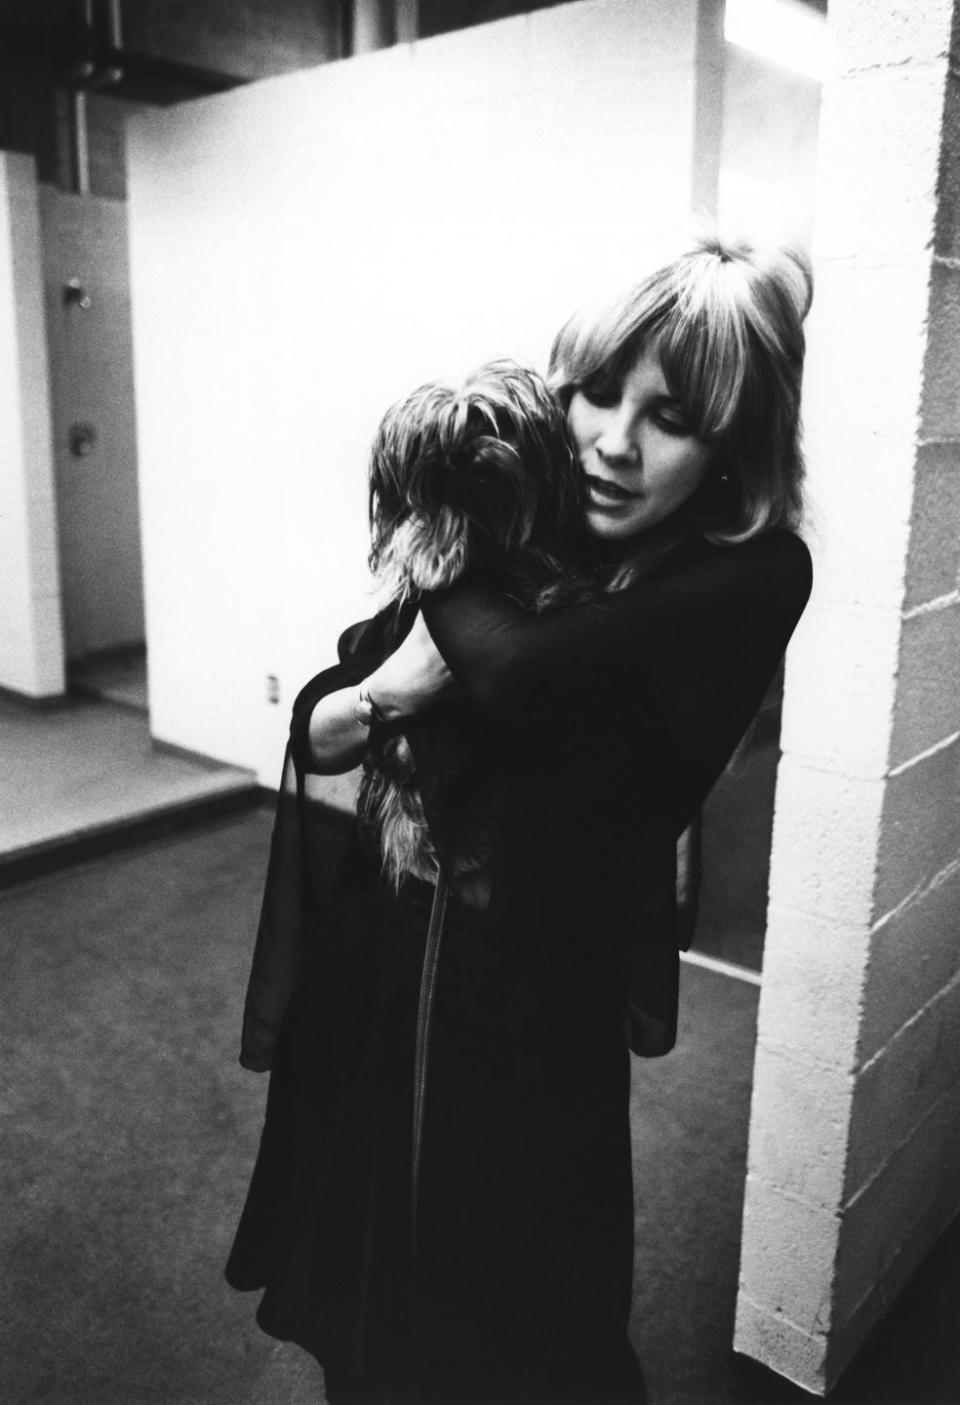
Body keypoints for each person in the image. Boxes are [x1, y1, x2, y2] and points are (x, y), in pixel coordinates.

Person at [225, 234, 814, 1405]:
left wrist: (436, 513)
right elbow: (323, 719)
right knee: (365, 1288)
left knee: (517, 1309)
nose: (612, 439)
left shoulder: (746, 576)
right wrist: (380, 690)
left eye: (673, 418)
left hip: (532, 1004)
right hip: (385, 954)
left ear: (735, 446)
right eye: (596, 390)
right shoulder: (520, 528)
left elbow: (514, 670)